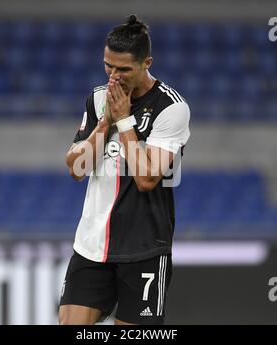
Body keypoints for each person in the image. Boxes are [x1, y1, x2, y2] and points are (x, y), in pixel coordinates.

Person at [59, 14, 190, 325]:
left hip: (144, 248)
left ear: (147, 63)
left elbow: (146, 178)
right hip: (92, 244)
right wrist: (105, 122)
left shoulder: (171, 108)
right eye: (108, 66)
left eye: (123, 69)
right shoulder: (98, 98)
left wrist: (124, 121)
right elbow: (76, 168)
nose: (114, 76)